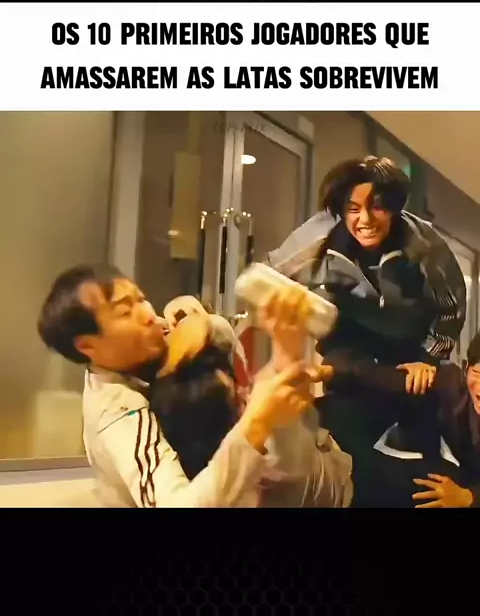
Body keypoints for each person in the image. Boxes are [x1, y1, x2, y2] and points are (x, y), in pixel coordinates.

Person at [265, 155, 467, 507]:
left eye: (377, 207)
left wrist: (428, 359)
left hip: (409, 354)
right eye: (353, 209)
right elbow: (266, 279)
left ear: (395, 207)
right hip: (348, 350)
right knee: (344, 444)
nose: (365, 220)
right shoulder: (319, 235)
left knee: (421, 445)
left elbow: (450, 308)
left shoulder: (424, 245)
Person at [37, 263, 321, 508]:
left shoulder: (147, 344)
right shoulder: (118, 415)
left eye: (141, 299)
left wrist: (203, 322)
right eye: (125, 312)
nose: (148, 314)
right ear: (88, 345)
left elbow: (219, 335)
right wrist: (256, 422)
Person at [149, 294, 353, 508]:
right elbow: (288, 385)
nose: (245, 393)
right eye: (238, 400)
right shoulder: (272, 465)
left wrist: (194, 319)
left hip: (324, 447)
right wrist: (286, 343)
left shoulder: (193, 436)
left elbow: (225, 340)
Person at [317, 341, 480, 507]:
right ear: (466, 368)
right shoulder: (454, 386)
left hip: (468, 487)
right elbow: (380, 377)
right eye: (477, 373)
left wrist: (469, 498)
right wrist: (331, 372)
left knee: (444, 490)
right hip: (340, 457)